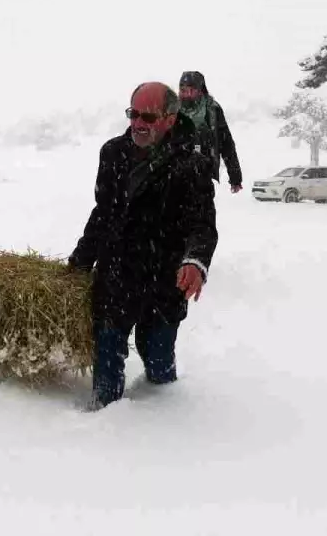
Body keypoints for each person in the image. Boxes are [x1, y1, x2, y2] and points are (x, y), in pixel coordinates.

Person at [67, 81, 218, 409]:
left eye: (148, 117)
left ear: (171, 118)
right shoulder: (113, 153)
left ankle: (160, 421)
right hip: (117, 276)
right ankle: (103, 421)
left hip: (163, 282)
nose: (138, 123)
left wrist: (195, 261)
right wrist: (79, 262)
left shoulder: (192, 164)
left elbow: (203, 224)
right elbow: (103, 213)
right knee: (107, 350)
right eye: (134, 113)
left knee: (158, 360)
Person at [178, 70, 243, 194]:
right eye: (183, 90)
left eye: (191, 90)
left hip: (204, 173)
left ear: (200, 90)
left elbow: (226, 143)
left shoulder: (213, 110)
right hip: (177, 173)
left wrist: (235, 177)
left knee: (202, 209)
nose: (186, 94)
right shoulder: (173, 110)